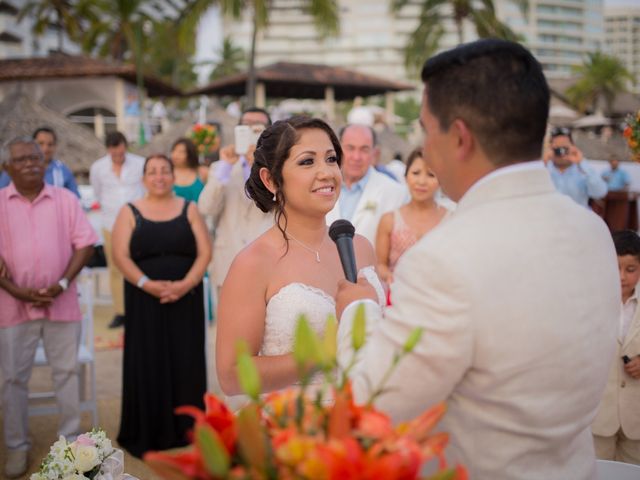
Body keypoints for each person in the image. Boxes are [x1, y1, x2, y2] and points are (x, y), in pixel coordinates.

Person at [335, 39, 620, 479]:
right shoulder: (593, 232)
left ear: (460, 137)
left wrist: (357, 309)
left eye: (427, 131)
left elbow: (373, 402)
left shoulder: (443, 260)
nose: (425, 149)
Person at [215, 116, 385, 396]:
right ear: (271, 179)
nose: (327, 172)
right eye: (308, 162)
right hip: (296, 425)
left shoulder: (360, 247)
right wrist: (329, 347)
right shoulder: (254, 263)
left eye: (331, 159)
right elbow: (232, 377)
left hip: (366, 411)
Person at [0, 137, 96, 478]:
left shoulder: (66, 200)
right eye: (21, 159)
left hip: (62, 301)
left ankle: (71, 445)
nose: (30, 163)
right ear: (7, 168)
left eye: (35, 157)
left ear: (45, 161)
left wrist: (62, 284)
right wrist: (16, 290)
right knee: (12, 379)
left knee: (67, 373)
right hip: (12, 306)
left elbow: (85, 244)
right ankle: (16, 447)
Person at [111, 154, 211, 457]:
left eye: (164, 171)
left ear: (173, 176)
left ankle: (187, 429)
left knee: (186, 360)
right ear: (143, 178)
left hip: (186, 300)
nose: (159, 176)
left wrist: (185, 285)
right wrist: (146, 284)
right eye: (152, 172)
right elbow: (121, 256)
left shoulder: (189, 209)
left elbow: (205, 253)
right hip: (144, 301)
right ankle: (148, 431)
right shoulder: (129, 211)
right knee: (148, 360)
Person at [198, 108, 274, 297]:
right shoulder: (220, 167)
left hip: (269, 264)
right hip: (228, 262)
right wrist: (225, 167)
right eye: (246, 125)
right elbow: (206, 208)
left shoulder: (278, 169)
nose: (250, 130)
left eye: (257, 127)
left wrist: (259, 167)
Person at [592, 230, 640, 465]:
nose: (622, 277)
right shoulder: (592, 302)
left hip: (636, 419)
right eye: (616, 268)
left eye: (630, 270)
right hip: (599, 415)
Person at [90, 131, 144, 329]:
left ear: (125, 147)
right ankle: (121, 312)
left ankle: (140, 308)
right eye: (114, 154)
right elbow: (97, 192)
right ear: (108, 150)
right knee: (115, 268)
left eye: (121, 154)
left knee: (141, 265)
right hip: (110, 223)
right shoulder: (98, 168)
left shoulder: (140, 163)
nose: (118, 158)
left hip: (137, 224)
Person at [375, 148, 447, 285]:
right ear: (406, 176)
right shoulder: (389, 220)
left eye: (431, 175)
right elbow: (380, 265)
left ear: (440, 180)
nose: (422, 181)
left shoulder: (450, 219)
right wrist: (390, 277)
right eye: (416, 173)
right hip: (397, 296)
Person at [326, 124, 407, 245]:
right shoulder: (321, 187)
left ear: (375, 153)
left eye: (364, 149)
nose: (356, 157)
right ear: (338, 149)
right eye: (350, 148)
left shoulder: (396, 193)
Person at [0, 127, 80, 197]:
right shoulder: (15, 169)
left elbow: (75, 198)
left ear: (55, 146)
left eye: (50, 144)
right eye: (40, 143)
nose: (45, 149)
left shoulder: (63, 171)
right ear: (31, 144)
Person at [547, 126, 608, 207]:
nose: (561, 152)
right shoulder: (545, 169)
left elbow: (600, 192)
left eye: (564, 148)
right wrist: (544, 163)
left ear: (573, 147)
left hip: (576, 218)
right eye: (557, 149)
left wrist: (581, 163)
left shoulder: (582, 169)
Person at [170, 137, 205, 202]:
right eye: (174, 150)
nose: (176, 155)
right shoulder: (167, 173)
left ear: (190, 154)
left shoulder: (202, 172)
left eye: (181, 152)